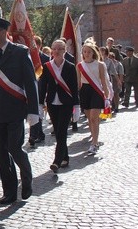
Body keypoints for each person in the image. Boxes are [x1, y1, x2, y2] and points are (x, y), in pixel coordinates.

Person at [0, 15, 39, 204]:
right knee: (2, 154)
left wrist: (33, 110)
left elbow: (30, 82)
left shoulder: (20, 52)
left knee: (14, 147)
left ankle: (26, 176)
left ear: (4, 32)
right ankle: (9, 192)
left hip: (15, 109)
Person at [38, 39, 79, 172]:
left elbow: (74, 88)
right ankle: (65, 157)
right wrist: (39, 103)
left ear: (64, 51)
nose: (56, 51)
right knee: (58, 130)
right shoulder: (47, 66)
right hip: (52, 103)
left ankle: (56, 161)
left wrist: (77, 106)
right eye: (54, 48)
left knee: (61, 131)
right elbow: (43, 86)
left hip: (66, 103)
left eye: (60, 49)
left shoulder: (70, 66)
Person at [77, 42, 110, 155]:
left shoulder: (100, 65)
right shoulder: (80, 65)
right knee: (89, 118)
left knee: (94, 117)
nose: (86, 54)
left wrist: (107, 97)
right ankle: (94, 138)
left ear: (93, 53)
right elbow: (78, 82)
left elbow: (104, 81)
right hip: (85, 91)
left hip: (96, 91)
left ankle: (94, 143)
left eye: (89, 52)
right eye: (85, 51)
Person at [29, 35, 50, 147]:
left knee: (39, 113)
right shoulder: (28, 56)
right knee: (33, 112)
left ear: (39, 45)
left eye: (35, 45)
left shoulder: (46, 58)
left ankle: (35, 135)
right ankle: (36, 135)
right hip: (31, 89)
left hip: (42, 89)